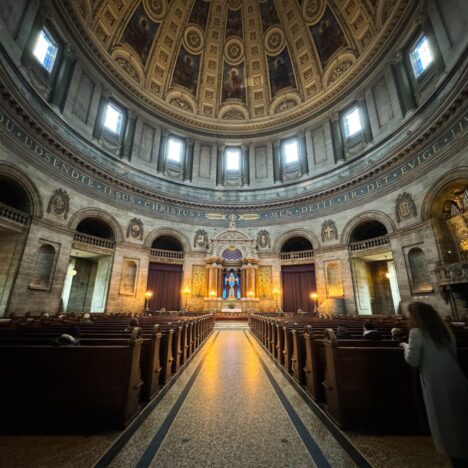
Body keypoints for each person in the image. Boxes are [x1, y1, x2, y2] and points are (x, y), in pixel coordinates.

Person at [401, 302, 468, 466]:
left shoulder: (416, 332)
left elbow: (413, 360)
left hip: (435, 379)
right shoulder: (444, 330)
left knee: (445, 420)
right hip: (455, 375)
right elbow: (454, 353)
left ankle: (456, 456)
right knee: (461, 416)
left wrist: (405, 346)